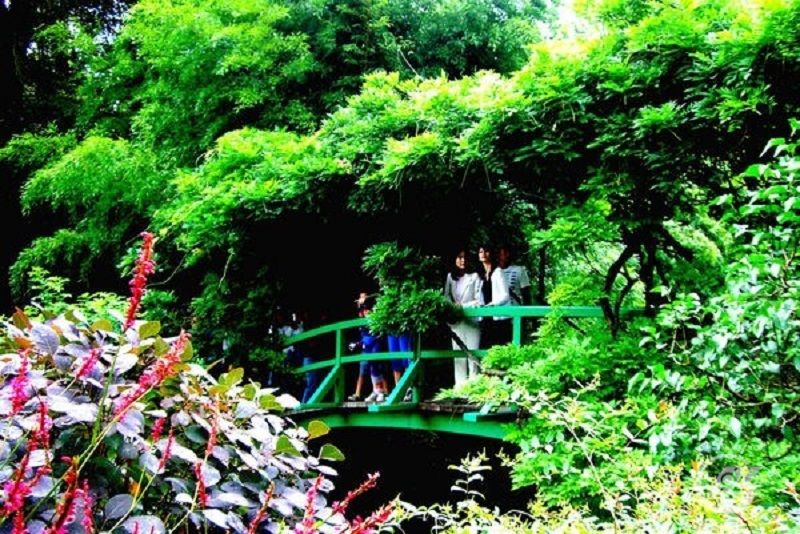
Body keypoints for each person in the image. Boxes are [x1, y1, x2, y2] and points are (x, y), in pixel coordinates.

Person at [443, 248, 482, 385]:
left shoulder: (475, 276)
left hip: (472, 321)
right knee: (458, 358)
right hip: (456, 322)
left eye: (465, 257)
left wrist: (462, 306)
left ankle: (474, 389)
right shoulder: (450, 277)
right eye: (459, 257)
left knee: (473, 356)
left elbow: (478, 299)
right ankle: (460, 389)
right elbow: (446, 297)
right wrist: (452, 307)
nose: (462, 260)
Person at [348, 291, 389, 403]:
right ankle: (376, 391)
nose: (365, 310)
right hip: (366, 344)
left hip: (375, 343)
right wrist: (358, 343)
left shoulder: (375, 310)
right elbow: (364, 335)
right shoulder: (361, 314)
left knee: (377, 366)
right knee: (371, 368)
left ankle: (382, 392)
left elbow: (373, 336)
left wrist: (366, 300)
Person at [477, 244, 510, 348]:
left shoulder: (498, 272)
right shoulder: (481, 275)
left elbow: (505, 295)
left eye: (486, 251)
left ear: (491, 254)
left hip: (498, 318)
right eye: (481, 252)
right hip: (486, 317)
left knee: (499, 348)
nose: (483, 254)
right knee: (485, 348)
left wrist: (493, 304)